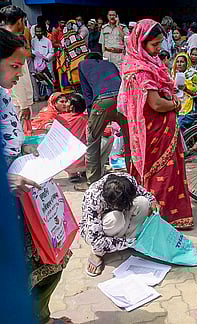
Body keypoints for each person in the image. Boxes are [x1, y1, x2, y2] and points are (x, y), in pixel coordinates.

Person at [0, 28, 73, 324]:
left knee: (54, 257)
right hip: (10, 203)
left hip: (26, 191)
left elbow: (13, 139)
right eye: (14, 66)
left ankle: (41, 317)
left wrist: (40, 145)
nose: (20, 74)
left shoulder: (4, 97)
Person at [118, 19, 193, 229]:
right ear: (141, 43)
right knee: (162, 173)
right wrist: (174, 105)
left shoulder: (149, 63)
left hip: (161, 128)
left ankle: (167, 214)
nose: (159, 49)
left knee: (169, 171)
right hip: (153, 131)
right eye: (154, 45)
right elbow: (156, 104)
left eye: (160, 43)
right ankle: (160, 216)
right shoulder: (140, 70)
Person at [80, 173, 158, 276]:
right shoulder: (94, 198)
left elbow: (143, 192)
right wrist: (127, 243)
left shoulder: (127, 180)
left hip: (119, 219)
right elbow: (96, 240)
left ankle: (130, 240)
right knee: (116, 218)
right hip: (98, 228)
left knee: (143, 202)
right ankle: (97, 253)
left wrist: (152, 202)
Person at [77, 52, 129, 188]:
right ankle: (133, 176)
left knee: (93, 142)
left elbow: (87, 93)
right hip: (121, 100)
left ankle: (93, 183)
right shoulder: (110, 64)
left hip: (102, 102)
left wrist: (91, 116)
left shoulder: (83, 65)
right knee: (129, 141)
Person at [0, 5, 34, 124]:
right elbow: (16, 76)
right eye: (24, 21)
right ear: (20, 21)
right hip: (16, 101)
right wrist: (24, 104)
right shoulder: (12, 44)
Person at [172, 52, 197, 132]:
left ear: (187, 64)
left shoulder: (194, 76)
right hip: (176, 106)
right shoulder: (173, 75)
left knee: (179, 125)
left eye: (182, 62)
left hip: (190, 109)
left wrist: (186, 90)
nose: (179, 64)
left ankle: (182, 143)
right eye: (178, 61)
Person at [57, 19, 88, 93]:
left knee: (77, 92)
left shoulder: (63, 41)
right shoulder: (79, 38)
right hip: (83, 70)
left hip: (72, 71)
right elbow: (85, 53)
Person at [31, 24, 54, 100]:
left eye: (40, 31)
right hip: (36, 65)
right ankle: (41, 96)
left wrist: (46, 58)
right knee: (39, 81)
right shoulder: (33, 41)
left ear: (43, 31)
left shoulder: (47, 41)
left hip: (46, 64)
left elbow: (51, 52)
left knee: (48, 81)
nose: (38, 33)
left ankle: (50, 96)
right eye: (37, 32)